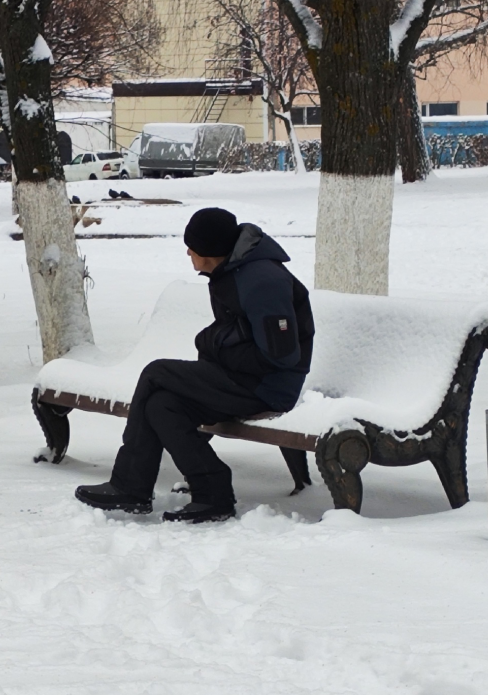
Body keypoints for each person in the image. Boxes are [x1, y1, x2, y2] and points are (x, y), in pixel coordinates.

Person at [75, 208, 314, 523]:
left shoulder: (261, 281)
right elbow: (241, 332)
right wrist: (219, 341)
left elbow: (281, 355)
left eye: (193, 246)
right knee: (162, 405)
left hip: (268, 386)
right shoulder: (234, 269)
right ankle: (212, 493)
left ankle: (130, 486)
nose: (188, 252)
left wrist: (218, 346)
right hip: (244, 378)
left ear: (211, 251)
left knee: (155, 372)